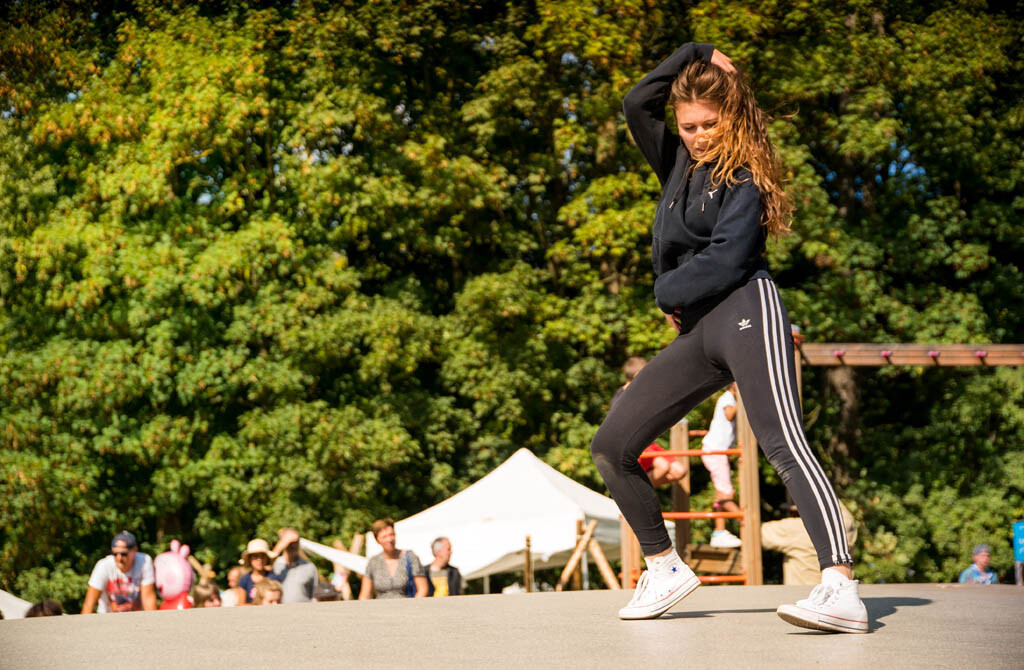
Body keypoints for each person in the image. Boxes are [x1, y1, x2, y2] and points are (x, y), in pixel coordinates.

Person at [590, 42, 868, 632]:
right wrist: (696, 52)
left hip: (746, 310)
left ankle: (841, 586)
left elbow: (727, 259)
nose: (698, 136)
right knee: (612, 445)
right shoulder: (676, 163)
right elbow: (637, 102)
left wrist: (667, 290)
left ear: (732, 118)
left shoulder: (745, 176)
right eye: (688, 126)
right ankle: (665, 567)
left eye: (709, 124)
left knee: (782, 442)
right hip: (697, 330)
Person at [611, 357, 688, 488]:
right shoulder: (621, 398)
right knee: (663, 467)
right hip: (633, 444)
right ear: (637, 375)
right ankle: (633, 492)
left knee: (679, 471)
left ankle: (636, 490)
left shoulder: (640, 394)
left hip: (648, 443)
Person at [761, 501, 858, 585]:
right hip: (838, 594)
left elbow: (755, 535)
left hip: (803, 596)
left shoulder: (797, 529)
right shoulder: (847, 525)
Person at [700, 382, 743, 548]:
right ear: (733, 385)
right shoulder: (727, 398)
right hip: (715, 451)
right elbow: (729, 415)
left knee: (722, 491)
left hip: (717, 451)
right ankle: (744, 520)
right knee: (726, 493)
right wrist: (742, 398)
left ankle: (719, 531)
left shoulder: (730, 398)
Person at [82, 531, 158, 613]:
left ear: (135, 550)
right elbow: (89, 604)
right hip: (107, 617)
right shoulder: (103, 566)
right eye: (115, 554)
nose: (119, 558)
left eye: (124, 554)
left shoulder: (144, 562)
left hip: (136, 617)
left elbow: (148, 598)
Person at [358, 518, 428, 599]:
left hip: (406, 604)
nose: (389, 539)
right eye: (384, 536)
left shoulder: (410, 557)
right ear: (377, 540)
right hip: (380, 606)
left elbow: (423, 589)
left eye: (391, 535)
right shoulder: (373, 562)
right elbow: (364, 595)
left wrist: (413, 605)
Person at [271, 528, 318, 603]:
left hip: (304, 609)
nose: (292, 546)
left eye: (295, 542)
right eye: (289, 543)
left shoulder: (309, 566)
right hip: (280, 609)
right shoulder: (275, 564)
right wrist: (281, 544)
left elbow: (315, 595)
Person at [236, 538, 281, 604]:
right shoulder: (244, 580)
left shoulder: (273, 578)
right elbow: (241, 604)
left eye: (262, 556)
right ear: (250, 559)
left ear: (267, 558)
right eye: (255, 557)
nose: (260, 560)